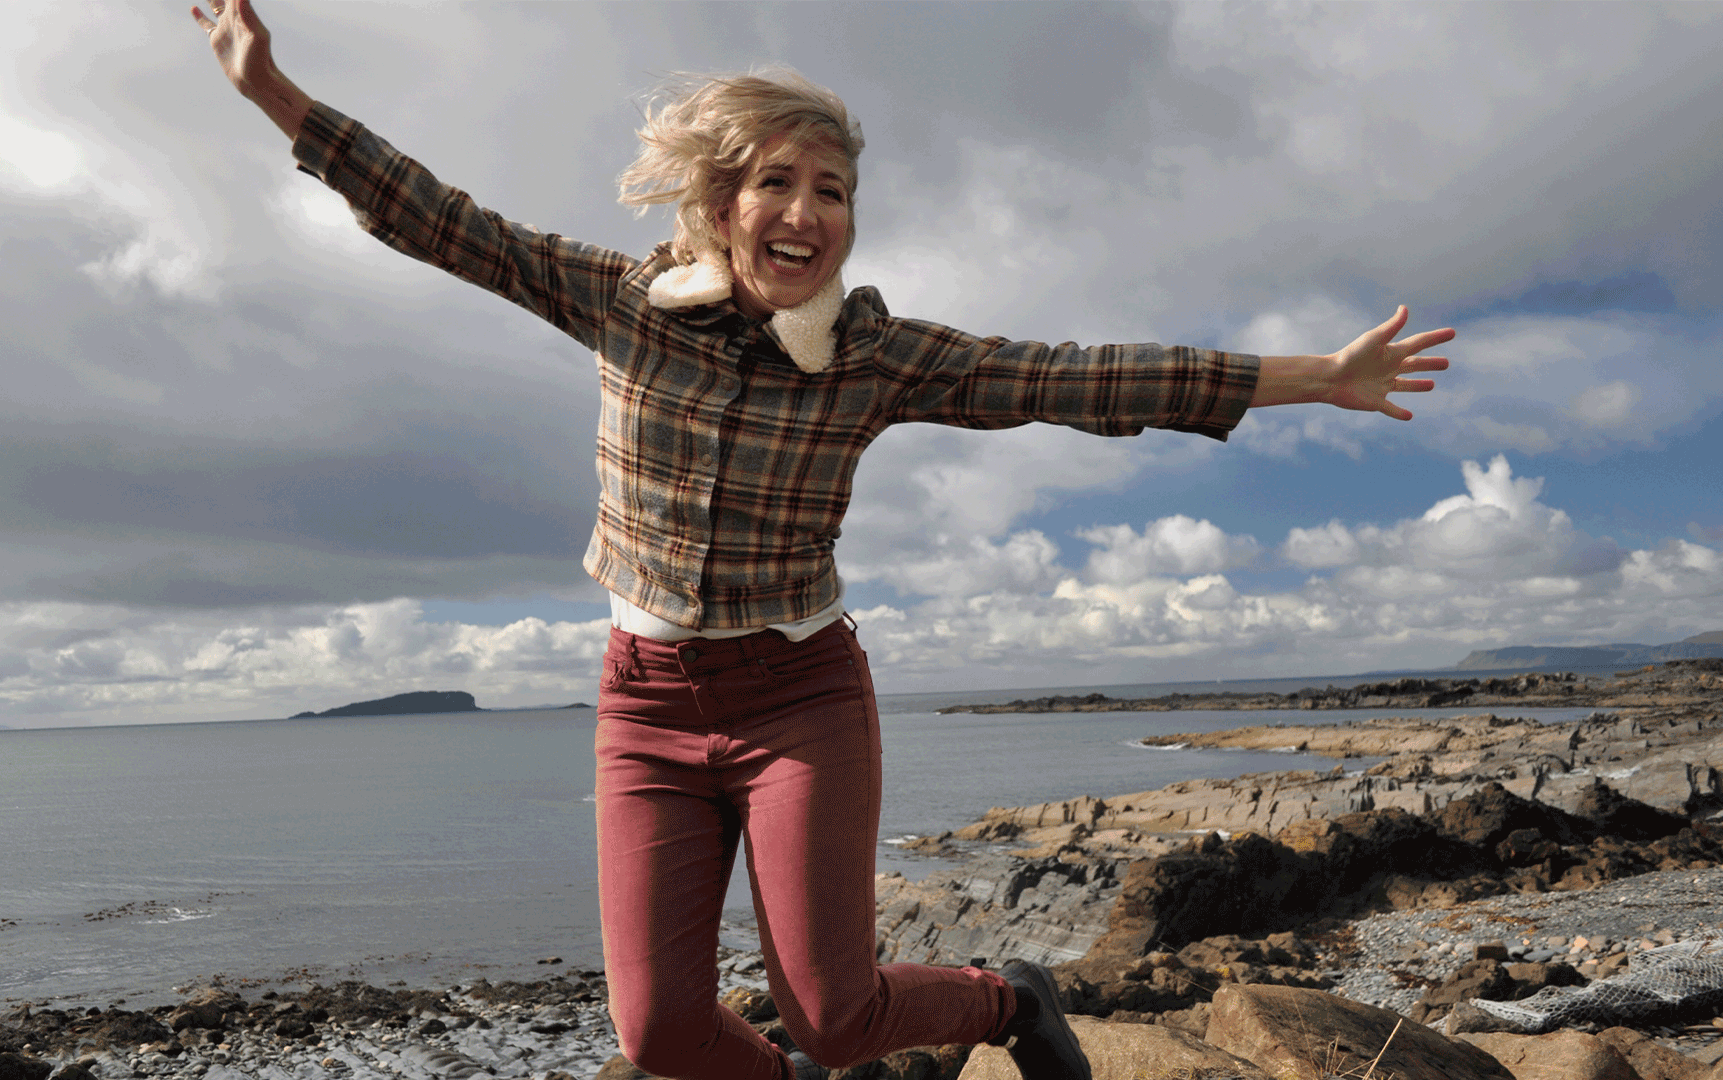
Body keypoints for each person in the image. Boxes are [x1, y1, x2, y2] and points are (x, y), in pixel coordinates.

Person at [192, 4, 1453, 1079]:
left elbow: (1073, 376)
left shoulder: (872, 356)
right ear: (721, 203)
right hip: (643, 703)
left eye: (832, 191)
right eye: (777, 183)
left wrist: (1312, 377)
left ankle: (1010, 999)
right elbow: (442, 221)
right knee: (659, 1032)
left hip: (800, 696)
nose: (805, 213)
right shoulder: (624, 303)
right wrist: (275, 96)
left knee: (836, 1018)